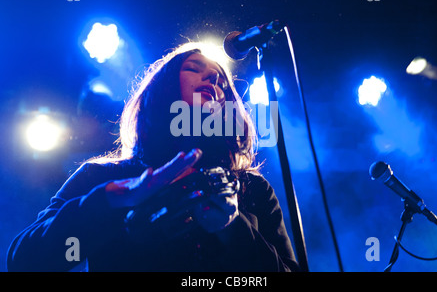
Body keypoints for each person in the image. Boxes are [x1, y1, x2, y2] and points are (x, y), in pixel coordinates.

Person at [7, 42, 300, 272]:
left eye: (222, 82)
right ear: (164, 89)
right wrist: (113, 198)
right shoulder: (103, 177)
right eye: (194, 68)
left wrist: (235, 230)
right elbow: (24, 261)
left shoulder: (254, 190)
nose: (213, 77)